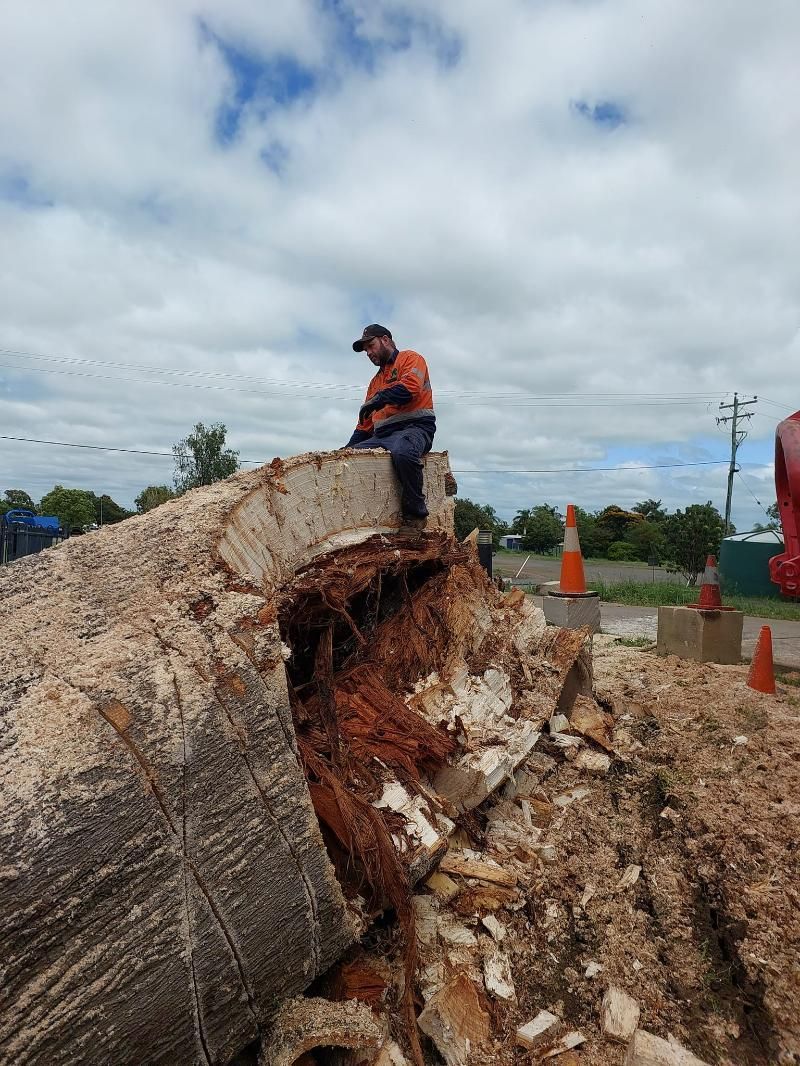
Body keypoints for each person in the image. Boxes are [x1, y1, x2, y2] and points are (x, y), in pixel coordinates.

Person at [344, 324, 436, 528]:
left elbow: (409, 388)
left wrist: (380, 398)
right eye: (366, 350)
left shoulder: (411, 359)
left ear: (385, 340)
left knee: (403, 452)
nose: (368, 352)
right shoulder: (375, 382)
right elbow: (364, 425)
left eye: (371, 346)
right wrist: (345, 451)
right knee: (348, 460)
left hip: (415, 429)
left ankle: (415, 515)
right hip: (382, 436)